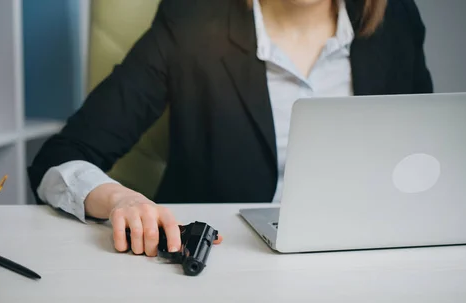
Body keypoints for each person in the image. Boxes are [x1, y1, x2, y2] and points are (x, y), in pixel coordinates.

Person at [28, 0, 433, 257]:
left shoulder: (395, 18)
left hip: (363, 256)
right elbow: (59, 157)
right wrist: (119, 199)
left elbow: (424, 155)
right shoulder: (189, 17)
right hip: (222, 264)